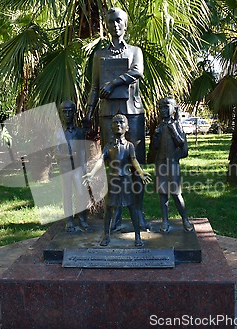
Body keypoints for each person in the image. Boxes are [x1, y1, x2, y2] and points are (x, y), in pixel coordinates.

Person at [84, 7, 149, 231]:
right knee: (113, 165)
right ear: (107, 25)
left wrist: (113, 83)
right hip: (107, 113)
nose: (115, 25)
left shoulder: (134, 51)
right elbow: (94, 86)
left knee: (136, 163)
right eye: (111, 22)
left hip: (132, 113)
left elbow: (137, 71)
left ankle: (138, 214)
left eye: (119, 21)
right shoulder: (99, 55)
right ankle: (116, 217)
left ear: (125, 24)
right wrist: (89, 111)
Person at [83, 114, 151, 247]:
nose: (118, 124)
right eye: (115, 122)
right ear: (111, 127)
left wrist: (141, 172)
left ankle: (137, 236)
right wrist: (91, 173)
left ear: (127, 127)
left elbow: (134, 160)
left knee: (132, 208)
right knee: (108, 208)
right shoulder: (108, 146)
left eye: (121, 122)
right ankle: (106, 235)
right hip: (112, 181)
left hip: (126, 181)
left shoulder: (129, 146)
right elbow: (101, 160)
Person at [153, 97, 194, 233]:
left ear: (173, 109)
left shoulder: (176, 124)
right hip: (161, 163)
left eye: (165, 107)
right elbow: (154, 147)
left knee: (176, 193)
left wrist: (173, 130)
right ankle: (165, 221)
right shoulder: (159, 126)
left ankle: (185, 219)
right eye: (160, 108)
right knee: (163, 194)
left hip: (173, 164)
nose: (162, 110)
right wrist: (156, 136)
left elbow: (181, 143)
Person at [55, 100, 91, 232]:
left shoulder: (80, 132)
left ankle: (82, 219)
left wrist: (85, 168)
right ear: (61, 113)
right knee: (67, 195)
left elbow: (83, 151)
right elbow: (57, 155)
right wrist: (69, 156)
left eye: (70, 111)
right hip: (65, 169)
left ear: (74, 113)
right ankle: (69, 221)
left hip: (77, 168)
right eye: (64, 111)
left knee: (81, 193)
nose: (67, 114)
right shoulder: (58, 133)